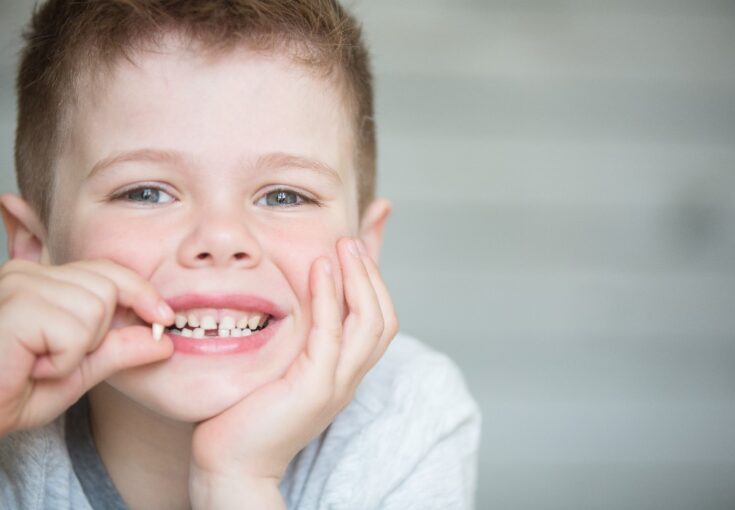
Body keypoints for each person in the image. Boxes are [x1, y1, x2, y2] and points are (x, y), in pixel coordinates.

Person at [0, 1, 481, 508]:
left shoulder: (406, 415)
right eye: (146, 193)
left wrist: (236, 479)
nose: (223, 238)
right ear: (35, 247)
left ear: (362, 249)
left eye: (284, 196)